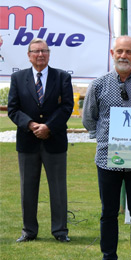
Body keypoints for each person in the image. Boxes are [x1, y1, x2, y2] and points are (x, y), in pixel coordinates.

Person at [82, 35, 131, 260]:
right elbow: (89, 118)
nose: (123, 56)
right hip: (107, 159)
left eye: (128, 52)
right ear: (112, 54)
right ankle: (109, 256)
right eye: (119, 51)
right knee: (108, 213)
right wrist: (104, 140)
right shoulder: (98, 84)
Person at [8, 38, 73, 243]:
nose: (40, 55)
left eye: (44, 51)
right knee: (27, 188)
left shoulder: (62, 77)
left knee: (58, 189)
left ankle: (60, 231)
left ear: (49, 53)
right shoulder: (18, 78)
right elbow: (13, 109)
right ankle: (29, 231)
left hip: (54, 141)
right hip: (28, 141)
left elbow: (67, 107)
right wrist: (31, 125)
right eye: (35, 51)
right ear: (29, 55)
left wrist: (48, 127)